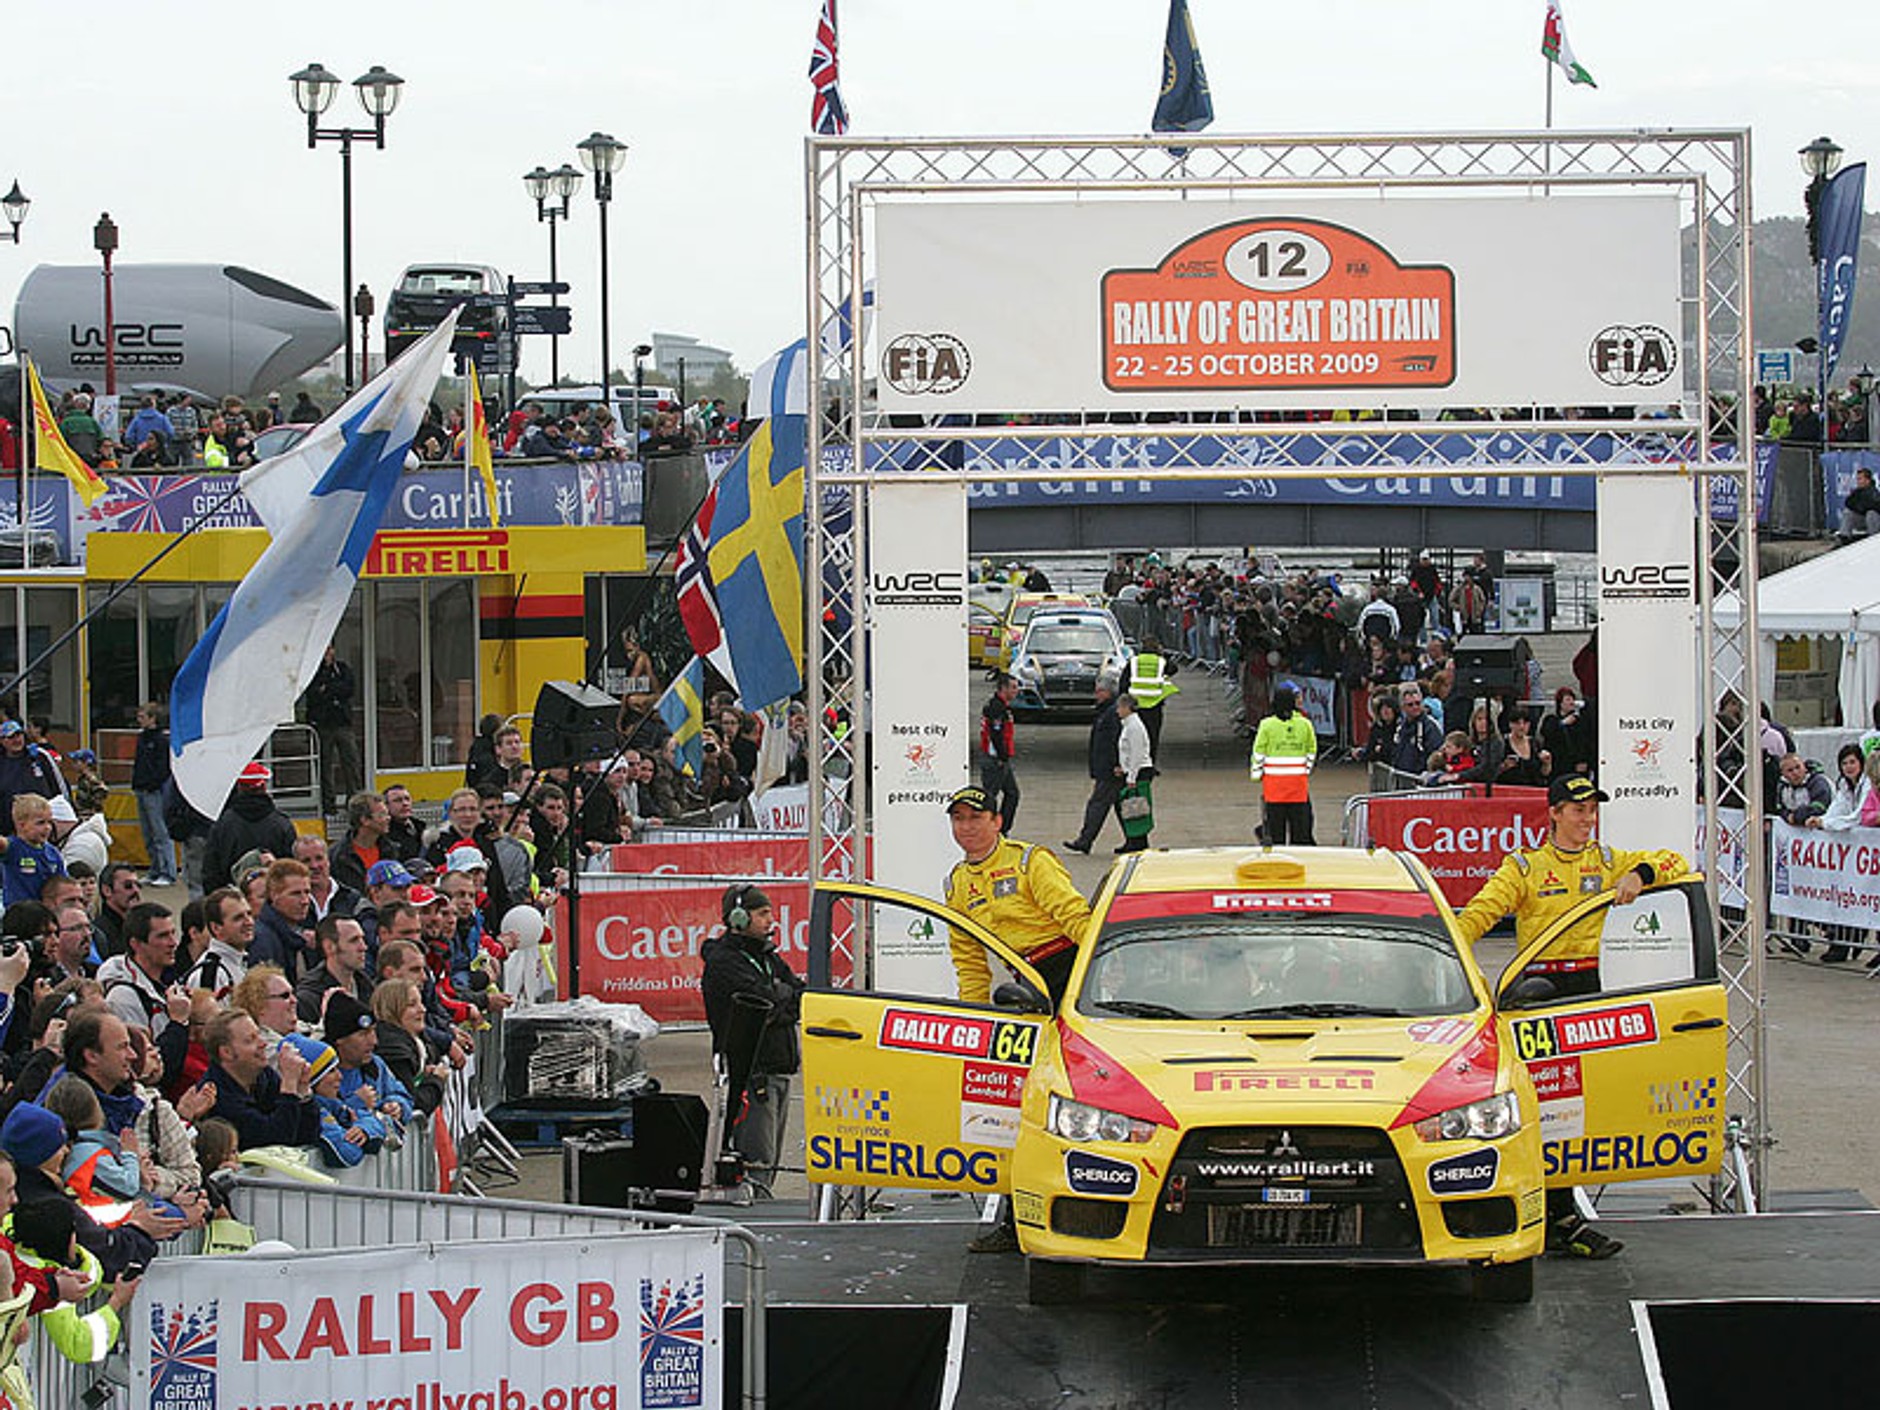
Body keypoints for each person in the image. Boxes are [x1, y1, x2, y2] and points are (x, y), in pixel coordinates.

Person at [1453, 775, 1687, 1260]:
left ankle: (1563, 1208)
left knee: (1587, 1109)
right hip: (1540, 993)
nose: (1587, 819)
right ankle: (1557, 1213)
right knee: (1550, 1108)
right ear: (1554, 813)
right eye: (1578, 810)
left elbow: (1676, 861)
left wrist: (1639, 875)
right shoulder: (1525, 867)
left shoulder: (1606, 861)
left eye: (1592, 810)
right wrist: (1442, 956)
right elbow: (1477, 915)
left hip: (1591, 992)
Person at [699, 884, 804, 1200]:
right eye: (762, 913)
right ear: (739, 918)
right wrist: (781, 998)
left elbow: (798, 995)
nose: (770, 920)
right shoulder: (724, 962)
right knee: (755, 1161)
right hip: (752, 1072)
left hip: (778, 1067)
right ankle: (752, 1222)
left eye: (770, 912)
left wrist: (780, 1000)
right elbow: (764, 1004)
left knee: (768, 1161)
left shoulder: (768, 957)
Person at [203, 762, 297, 892]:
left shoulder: (223, 824)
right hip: (274, 897)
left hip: (233, 900)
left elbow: (211, 871)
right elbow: (291, 869)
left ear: (239, 787)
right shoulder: (281, 824)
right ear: (264, 786)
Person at [1249, 681, 1318, 845]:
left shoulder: (1267, 725)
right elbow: (1311, 749)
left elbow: (1259, 751)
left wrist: (1256, 774)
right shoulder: (1305, 724)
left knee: (1275, 831)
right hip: (1298, 786)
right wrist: (1305, 769)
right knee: (1300, 830)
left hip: (1274, 787)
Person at [1062, 675, 1124, 855]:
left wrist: (1117, 764)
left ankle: (1085, 840)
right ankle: (1136, 839)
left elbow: (1117, 741)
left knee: (1097, 804)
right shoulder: (1106, 711)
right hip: (1106, 767)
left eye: (1100, 691)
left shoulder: (1112, 713)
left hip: (1110, 769)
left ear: (1109, 692)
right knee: (1120, 805)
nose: (1096, 695)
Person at [305, 647, 361, 812]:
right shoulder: (315, 670)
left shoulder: (342, 669)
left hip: (343, 723)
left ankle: (354, 802)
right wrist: (331, 689)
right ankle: (328, 805)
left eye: (329, 650)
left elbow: (348, 689)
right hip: (323, 725)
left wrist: (328, 689)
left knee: (351, 763)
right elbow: (313, 693)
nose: (326, 653)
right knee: (325, 765)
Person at [0, 794, 64, 906]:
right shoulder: (13, 847)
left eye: (49, 822)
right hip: (18, 913)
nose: (47, 827)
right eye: (40, 823)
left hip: (45, 912)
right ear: (21, 825)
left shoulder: (53, 853)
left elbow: (63, 883)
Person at [979, 671, 1022, 832]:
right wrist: (1001, 756)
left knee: (1012, 794)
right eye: (1013, 688)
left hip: (1002, 759)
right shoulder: (996, 708)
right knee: (989, 798)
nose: (1016, 691)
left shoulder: (1003, 707)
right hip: (995, 759)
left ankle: (1002, 829)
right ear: (1003, 688)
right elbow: (995, 735)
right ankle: (986, 829)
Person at [1115, 693, 1154, 854]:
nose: (1117, 711)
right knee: (1131, 806)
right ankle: (1135, 839)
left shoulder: (1134, 727)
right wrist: (1123, 768)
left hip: (1140, 771)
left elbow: (1137, 752)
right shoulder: (1129, 725)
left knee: (1136, 806)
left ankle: (1137, 840)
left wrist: (1131, 776)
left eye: (1119, 707)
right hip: (1133, 770)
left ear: (1127, 707)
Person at [1126, 640, 1179, 755]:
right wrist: (1163, 655)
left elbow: (1124, 683)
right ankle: (1149, 764)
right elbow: (1173, 669)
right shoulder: (1161, 662)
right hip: (1154, 705)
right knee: (1152, 737)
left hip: (1136, 705)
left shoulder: (1134, 662)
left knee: (1135, 736)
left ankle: (1136, 762)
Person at [1838, 466, 1880, 542]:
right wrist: (1860, 507)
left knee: (1871, 514)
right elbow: (1848, 503)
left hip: (1874, 522)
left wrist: (1861, 507)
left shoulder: (1874, 492)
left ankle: (1873, 540)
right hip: (1861, 520)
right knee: (1847, 512)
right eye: (1857, 479)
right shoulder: (1857, 491)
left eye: (1860, 479)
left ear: (1867, 480)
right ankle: (1844, 538)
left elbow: (1874, 506)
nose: (1858, 481)